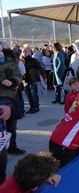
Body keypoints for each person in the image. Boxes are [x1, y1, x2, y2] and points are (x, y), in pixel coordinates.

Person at [0, 42, 24, 184]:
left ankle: (11, 146)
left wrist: (12, 81)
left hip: (8, 100)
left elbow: (17, 76)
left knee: (10, 128)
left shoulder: (8, 61)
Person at [21, 46, 44, 114]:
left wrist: (35, 73)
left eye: (26, 51)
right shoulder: (21, 61)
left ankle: (36, 107)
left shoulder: (33, 60)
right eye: (23, 51)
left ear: (30, 52)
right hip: (25, 80)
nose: (24, 53)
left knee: (34, 94)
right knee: (28, 95)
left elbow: (40, 69)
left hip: (32, 80)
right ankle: (31, 107)